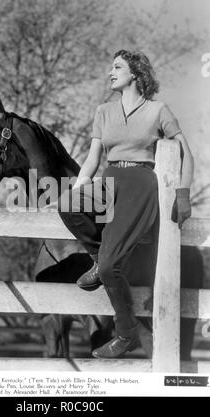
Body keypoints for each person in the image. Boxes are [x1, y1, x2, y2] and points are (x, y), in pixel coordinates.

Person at [57, 49, 194, 359]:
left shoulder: (159, 110)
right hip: (110, 180)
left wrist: (182, 194)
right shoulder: (103, 111)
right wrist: (78, 191)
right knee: (67, 206)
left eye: (117, 67)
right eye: (111, 67)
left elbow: (186, 154)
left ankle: (127, 333)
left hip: (141, 186)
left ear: (136, 73)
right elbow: (93, 158)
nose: (111, 72)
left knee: (109, 267)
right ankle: (97, 255)